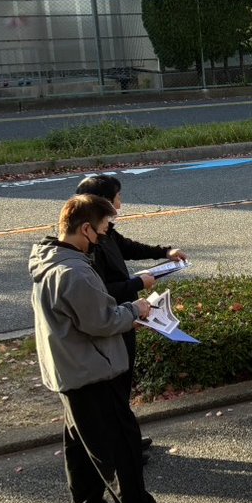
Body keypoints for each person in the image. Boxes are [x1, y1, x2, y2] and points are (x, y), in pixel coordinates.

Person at [30, 194, 194, 503]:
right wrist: (137, 310)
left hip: (70, 369)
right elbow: (101, 320)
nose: (106, 236)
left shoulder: (49, 258)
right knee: (122, 447)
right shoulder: (74, 272)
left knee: (82, 444)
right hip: (92, 371)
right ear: (86, 228)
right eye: (104, 229)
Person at [74, 173, 187, 452]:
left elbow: (125, 246)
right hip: (111, 319)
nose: (121, 203)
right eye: (118, 197)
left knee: (122, 388)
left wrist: (164, 252)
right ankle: (124, 449)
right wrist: (138, 283)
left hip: (125, 315)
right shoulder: (89, 244)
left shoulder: (104, 231)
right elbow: (100, 290)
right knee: (114, 389)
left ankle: (127, 439)